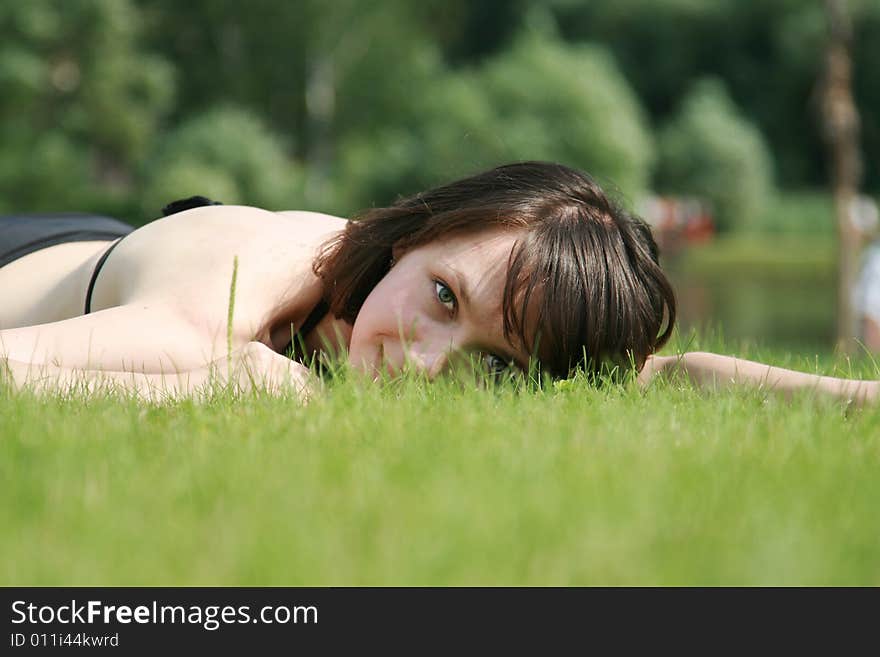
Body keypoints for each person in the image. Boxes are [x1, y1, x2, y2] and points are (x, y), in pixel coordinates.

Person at [0, 161, 876, 404]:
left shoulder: (386, 293)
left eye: (492, 362)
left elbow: (666, 373)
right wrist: (231, 386)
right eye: (446, 297)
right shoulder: (228, 293)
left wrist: (855, 397)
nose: (426, 361)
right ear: (420, 233)